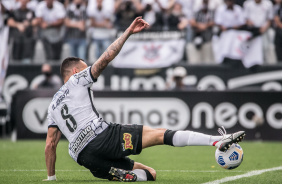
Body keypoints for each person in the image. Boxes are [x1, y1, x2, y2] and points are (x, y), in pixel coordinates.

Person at [44, 17, 245, 182]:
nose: (88, 69)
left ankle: (123, 174)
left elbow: (50, 145)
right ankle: (217, 141)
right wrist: (127, 33)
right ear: (76, 71)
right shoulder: (77, 80)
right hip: (101, 138)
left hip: (84, 157)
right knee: (161, 134)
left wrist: (51, 178)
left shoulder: (53, 104)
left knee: (150, 174)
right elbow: (104, 59)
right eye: (84, 67)